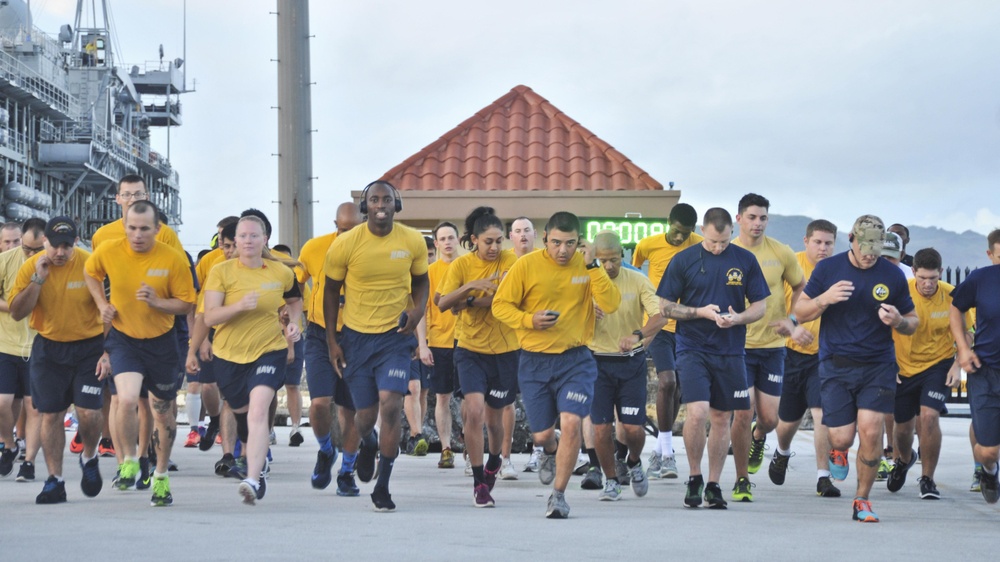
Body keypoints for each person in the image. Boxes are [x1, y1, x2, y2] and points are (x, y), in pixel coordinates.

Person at [493, 211, 621, 519]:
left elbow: (613, 303)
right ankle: (550, 450)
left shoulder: (587, 266)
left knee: (573, 422)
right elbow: (500, 305)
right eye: (556, 243)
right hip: (534, 361)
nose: (563, 250)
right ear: (545, 237)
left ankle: (559, 495)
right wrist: (529, 320)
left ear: (579, 242)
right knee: (541, 435)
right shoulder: (526, 266)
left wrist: (592, 266)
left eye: (570, 243)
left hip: (576, 359)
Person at [794, 214, 917, 523]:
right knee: (841, 437)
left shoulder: (892, 276)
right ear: (851, 239)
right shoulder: (828, 269)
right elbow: (801, 311)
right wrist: (825, 298)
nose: (869, 255)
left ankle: (861, 499)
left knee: (872, 431)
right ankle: (838, 451)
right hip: (836, 365)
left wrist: (899, 321)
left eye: (875, 249)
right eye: (864, 247)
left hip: (878, 365)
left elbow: (912, 322)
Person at [323, 181, 429, 512]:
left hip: (394, 337)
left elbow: (422, 281)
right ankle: (366, 443)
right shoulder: (347, 244)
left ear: (396, 205)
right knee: (365, 418)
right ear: (366, 206)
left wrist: (417, 311)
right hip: (355, 338)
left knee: (392, 404)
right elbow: (329, 291)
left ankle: (382, 486)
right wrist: (331, 340)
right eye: (374, 199)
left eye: (387, 199)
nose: (380, 204)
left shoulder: (412, 240)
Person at [84, 201, 196, 506]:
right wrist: (101, 304)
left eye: (144, 228)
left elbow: (187, 303)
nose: (137, 235)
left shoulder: (172, 259)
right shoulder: (108, 251)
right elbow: (90, 273)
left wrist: (158, 302)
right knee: (128, 398)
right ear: (124, 226)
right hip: (124, 339)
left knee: (161, 411)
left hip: (161, 342)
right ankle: (130, 460)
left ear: (157, 229)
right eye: (131, 227)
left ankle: (160, 476)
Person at [657, 207, 768, 510]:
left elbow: (760, 305)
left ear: (732, 230)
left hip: (731, 350)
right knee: (697, 411)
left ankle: (714, 484)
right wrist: (698, 312)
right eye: (712, 242)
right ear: (703, 231)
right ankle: (694, 477)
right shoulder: (684, 259)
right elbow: (665, 306)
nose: (718, 248)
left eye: (723, 242)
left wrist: (739, 318)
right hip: (692, 346)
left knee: (722, 417)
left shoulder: (745, 260)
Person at [203, 215, 302, 505]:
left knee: (259, 410)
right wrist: (237, 307)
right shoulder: (221, 272)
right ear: (235, 241)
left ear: (264, 240)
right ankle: (251, 454)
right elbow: (210, 316)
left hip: (269, 349)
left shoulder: (280, 272)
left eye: (253, 236)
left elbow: (294, 301)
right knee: (241, 411)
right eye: (242, 236)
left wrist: (293, 323)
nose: (247, 241)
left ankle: (253, 478)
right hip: (228, 354)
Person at [8, 217, 106, 504]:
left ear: (75, 243)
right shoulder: (33, 266)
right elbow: (16, 312)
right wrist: (38, 279)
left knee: (88, 413)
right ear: (45, 242)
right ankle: (56, 480)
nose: (60, 252)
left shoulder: (90, 264)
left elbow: (108, 309)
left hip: (89, 347)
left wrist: (107, 351)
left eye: (67, 246)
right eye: (55, 245)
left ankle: (89, 456)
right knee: (50, 414)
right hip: (49, 349)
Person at [438, 207, 519, 507]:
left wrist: (468, 301)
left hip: (505, 350)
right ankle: (478, 483)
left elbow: (502, 300)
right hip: (469, 349)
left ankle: (495, 459)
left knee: (494, 420)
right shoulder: (460, 266)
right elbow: (444, 303)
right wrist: (470, 287)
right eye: (488, 241)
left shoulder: (511, 261)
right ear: (474, 240)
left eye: (499, 241)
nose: (495, 247)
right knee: (473, 412)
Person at [730, 194, 805, 501]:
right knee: (742, 413)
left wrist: (793, 318)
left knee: (770, 419)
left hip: (773, 346)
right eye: (751, 217)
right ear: (738, 219)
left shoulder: (781, 252)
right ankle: (741, 479)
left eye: (762, 218)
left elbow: (800, 286)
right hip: (738, 346)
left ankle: (759, 438)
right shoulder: (728, 253)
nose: (757, 223)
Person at [588, 231, 666, 501]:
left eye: (613, 260)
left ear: (622, 255)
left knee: (633, 429)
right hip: (596, 362)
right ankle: (610, 480)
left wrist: (638, 336)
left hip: (630, 363)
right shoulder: (585, 280)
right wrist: (585, 311)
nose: (609, 266)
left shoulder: (638, 280)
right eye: (602, 261)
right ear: (595, 259)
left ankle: (633, 461)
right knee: (601, 427)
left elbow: (660, 317)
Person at [766, 219, 842, 497]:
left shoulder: (838, 271)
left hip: (823, 357)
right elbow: (772, 310)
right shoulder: (790, 267)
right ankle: (782, 451)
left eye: (828, 243)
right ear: (806, 241)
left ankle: (823, 477)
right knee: (787, 421)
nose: (823, 248)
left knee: (822, 414)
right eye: (818, 242)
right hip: (786, 353)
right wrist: (793, 328)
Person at [888, 248, 968, 499]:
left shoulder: (952, 296)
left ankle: (927, 478)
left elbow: (967, 333)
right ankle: (903, 459)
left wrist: (957, 365)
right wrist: (888, 366)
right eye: (923, 277)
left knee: (929, 416)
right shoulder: (900, 292)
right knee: (902, 429)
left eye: (933, 278)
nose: (928, 283)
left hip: (938, 365)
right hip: (903, 368)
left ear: (941, 273)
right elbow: (880, 332)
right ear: (913, 272)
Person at [296, 203, 364, 496]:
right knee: (320, 403)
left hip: (358, 336)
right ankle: (326, 451)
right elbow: (295, 284)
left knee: (354, 413)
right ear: (335, 224)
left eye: (353, 231)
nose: (346, 236)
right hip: (319, 333)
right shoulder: (313, 248)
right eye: (342, 230)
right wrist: (295, 315)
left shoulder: (372, 252)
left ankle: (347, 471)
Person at [631, 202, 702, 480]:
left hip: (689, 328)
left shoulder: (699, 245)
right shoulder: (647, 244)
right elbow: (632, 275)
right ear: (667, 224)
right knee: (667, 382)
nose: (678, 237)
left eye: (684, 233)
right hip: (659, 324)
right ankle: (669, 455)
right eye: (675, 231)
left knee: (680, 391)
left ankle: (661, 451)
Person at [950, 228, 1000, 505]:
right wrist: (963, 348)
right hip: (987, 371)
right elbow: (956, 308)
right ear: (990, 254)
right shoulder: (981, 279)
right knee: (988, 451)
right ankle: (989, 472)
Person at [0, 219, 44, 480]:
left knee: (34, 406)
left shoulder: (53, 261)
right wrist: (18, 306)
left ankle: (29, 462)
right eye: (23, 247)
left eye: (34, 248)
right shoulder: (6, 261)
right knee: (4, 403)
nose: (29, 253)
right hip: (6, 344)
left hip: (39, 344)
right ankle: (9, 444)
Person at [509, 217, 544, 473]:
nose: (523, 235)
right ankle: (504, 457)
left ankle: (540, 451)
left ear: (536, 235)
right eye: (518, 231)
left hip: (538, 342)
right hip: (506, 343)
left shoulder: (545, 261)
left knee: (540, 399)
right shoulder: (504, 263)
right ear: (511, 236)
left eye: (527, 231)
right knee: (505, 403)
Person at [425, 222, 462, 470]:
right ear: (436, 244)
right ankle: (446, 448)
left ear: (458, 240)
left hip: (467, 340)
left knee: (472, 398)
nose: (448, 242)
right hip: (438, 341)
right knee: (442, 397)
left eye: (451, 237)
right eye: (443, 239)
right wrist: (422, 344)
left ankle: (472, 451)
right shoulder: (429, 273)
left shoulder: (469, 266)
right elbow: (422, 310)